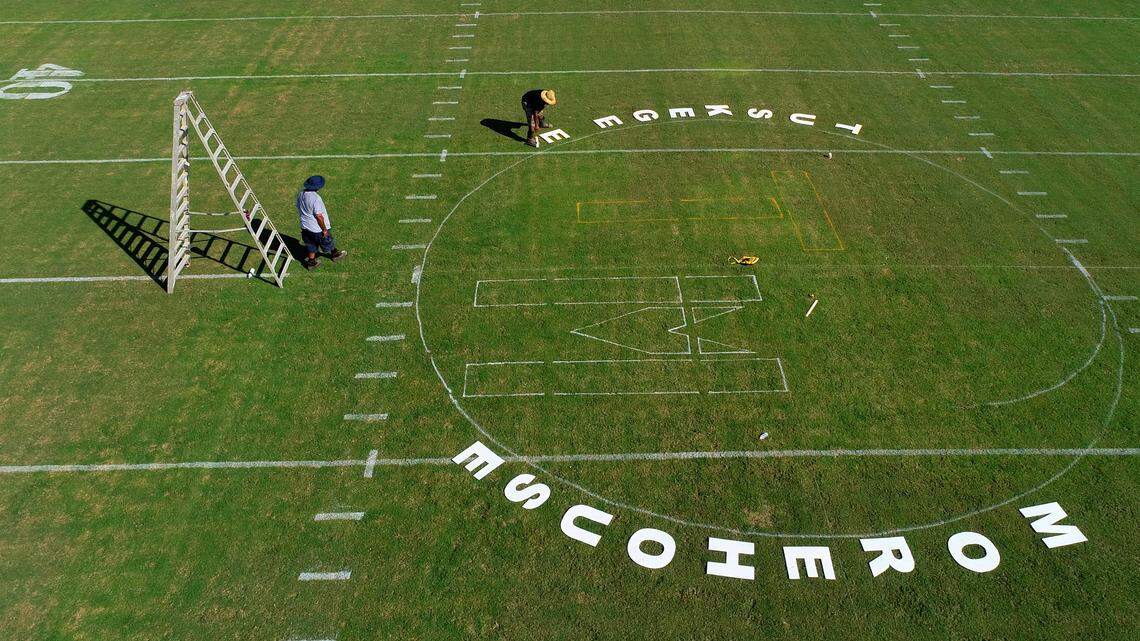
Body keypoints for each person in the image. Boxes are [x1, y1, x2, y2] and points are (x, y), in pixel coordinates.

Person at [296, 175, 346, 270]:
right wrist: (324, 229)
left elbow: (298, 207)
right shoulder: (315, 198)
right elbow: (319, 216)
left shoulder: (301, 194)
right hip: (316, 228)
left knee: (310, 244)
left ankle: (311, 262)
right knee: (326, 240)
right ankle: (335, 254)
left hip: (305, 226)